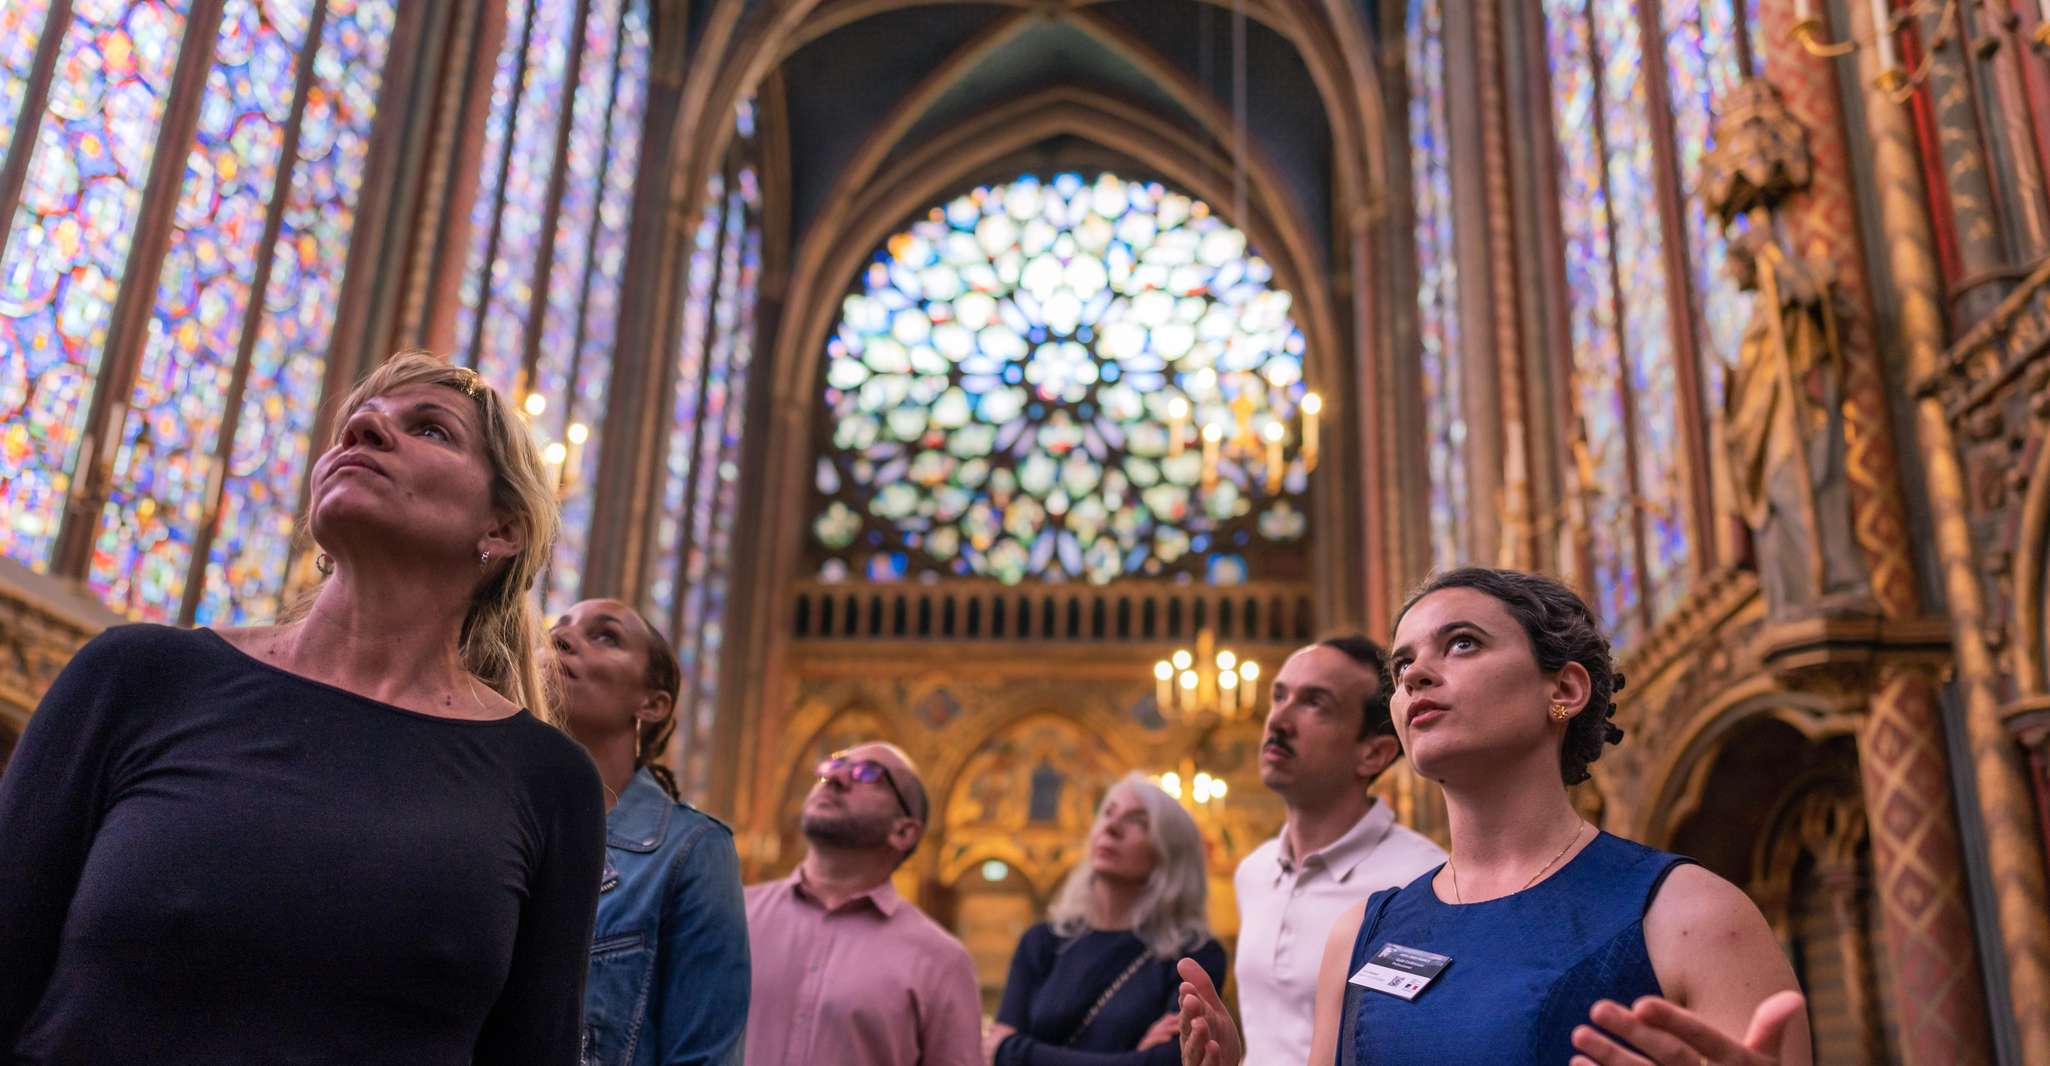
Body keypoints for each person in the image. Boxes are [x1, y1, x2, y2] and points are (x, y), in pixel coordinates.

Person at [0, 350, 605, 1064]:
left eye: (432, 430)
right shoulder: (136, 676)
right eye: (359, 420)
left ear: (501, 530)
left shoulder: (547, 781)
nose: (366, 430)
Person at [1177, 567, 1810, 1066]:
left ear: (1562, 691)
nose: (1417, 674)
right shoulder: (1358, 935)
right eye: (1402, 667)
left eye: (1462, 644)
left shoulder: (1693, 916)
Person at [550, 598, 750, 1065]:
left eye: (605, 636)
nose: (559, 638)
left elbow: (704, 1056)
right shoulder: (487, 817)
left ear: (653, 703)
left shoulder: (692, 851)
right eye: (560, 627)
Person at [1232, 635, 1446, 1066]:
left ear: (1373, 754)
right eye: (1279, 696)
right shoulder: (1253, 872)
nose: (1278, 721)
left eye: (1315, 704)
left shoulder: (1425, 881)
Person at [742, 741, 981, 1066]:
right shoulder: (736, 915)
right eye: (831, 767)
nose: (836, 779)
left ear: (904, 832)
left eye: (868, 774)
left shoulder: (940, 960)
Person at [984, 773, 1228, 1065]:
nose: (1111, 827)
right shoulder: (1042, 941)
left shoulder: (1193, 954)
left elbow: (1172, 1062)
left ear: (1170, 852)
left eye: (1138, 821)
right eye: (1108, 812)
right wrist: (1131, 1058)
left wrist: (1017, 1052)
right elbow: (992, 1056)